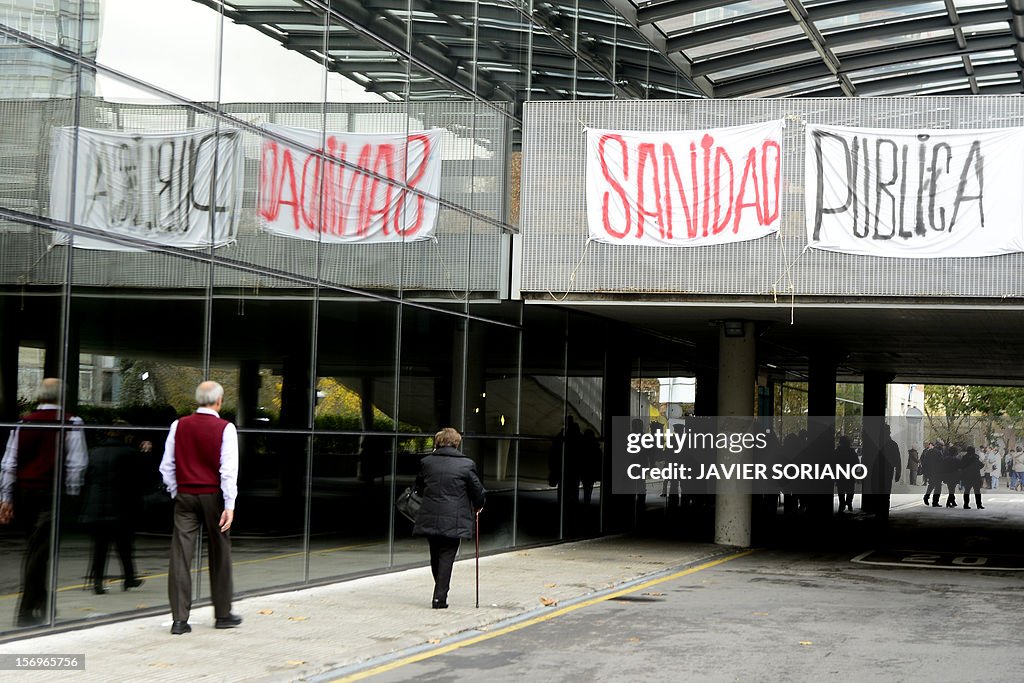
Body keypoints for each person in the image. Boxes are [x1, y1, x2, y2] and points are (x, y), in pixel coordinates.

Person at [0, 378, 88, 627]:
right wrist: (72, 495)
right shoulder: (71, 422)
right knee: (39, 552)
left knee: (37, 549)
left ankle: (43, 602)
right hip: (53, 493)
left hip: (26, 493)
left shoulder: (23, 423)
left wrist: (6, 497)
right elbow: (76, 464)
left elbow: (9, 463)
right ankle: (26, 610)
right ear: (62, 396)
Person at [159, 381, 241, 635]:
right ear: (219, 401)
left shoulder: (178, 425)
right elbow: (228, 470)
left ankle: (180, 620)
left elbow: (166, 465)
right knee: (220, 554)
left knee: (180, 556)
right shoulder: (225, 428)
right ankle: (223, 614)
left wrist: (176, 490)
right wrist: (230, 503)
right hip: (213, 496)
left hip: (185, 495)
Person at [413, 427, 486, 609]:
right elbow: (477, 491)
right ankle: (440, 597)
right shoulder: (466, 465)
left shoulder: (427, 462)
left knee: (435, 555)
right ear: (456, 443)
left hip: (430, 515)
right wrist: (479, 505)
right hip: (454, 518)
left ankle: (440, 589)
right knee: (447, 555)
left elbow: (419, 488)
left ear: (437, 443)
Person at [81, 423, 145, 594]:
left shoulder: (94, 452)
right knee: (124, 546)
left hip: (96, 505)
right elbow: (137, 481)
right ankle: (129, 578)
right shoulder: (129, 453)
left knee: (100, 547)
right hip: (120, 506)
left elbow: (87, 478)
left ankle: (97, 582)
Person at [834, 435, 859, 513]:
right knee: (850, 490)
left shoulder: (837, 452)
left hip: (840, 474)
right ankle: (849, 503)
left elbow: (833, 462)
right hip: (849, 473)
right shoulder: (851, 452)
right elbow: (856, 462)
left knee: (841, 491)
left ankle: (842, 505)